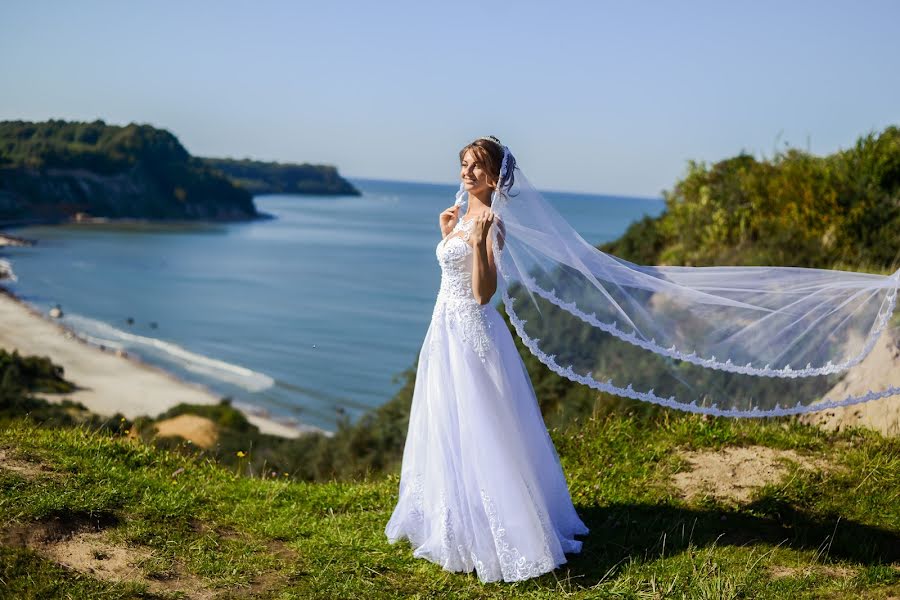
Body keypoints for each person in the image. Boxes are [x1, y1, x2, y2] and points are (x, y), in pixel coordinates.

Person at [384, 135, 589, 583]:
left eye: (477, 166)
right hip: (443, 330)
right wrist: (449, 235)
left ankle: (501, 532)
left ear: (495, 175)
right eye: (464, 164)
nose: (467, 173)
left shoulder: (491, 221)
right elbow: (452, 273)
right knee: (446, 420)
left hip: (470, 332)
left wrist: (476, 243)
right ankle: (454, 519)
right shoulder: (462, 215)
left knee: (482, 425)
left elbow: (482, 294)